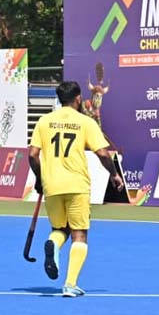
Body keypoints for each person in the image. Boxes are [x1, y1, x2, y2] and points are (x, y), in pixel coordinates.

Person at [28, 80, 124, 297]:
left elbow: (32, 155)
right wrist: (114, 174)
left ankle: (53, 243)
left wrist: (40, 178)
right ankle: (70, 284)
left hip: (52, 184)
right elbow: (102, 153)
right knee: (79, 235)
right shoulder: (85, 122)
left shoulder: (44, 121)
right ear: (78, 98)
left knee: (60, 229)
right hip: (77, 184)